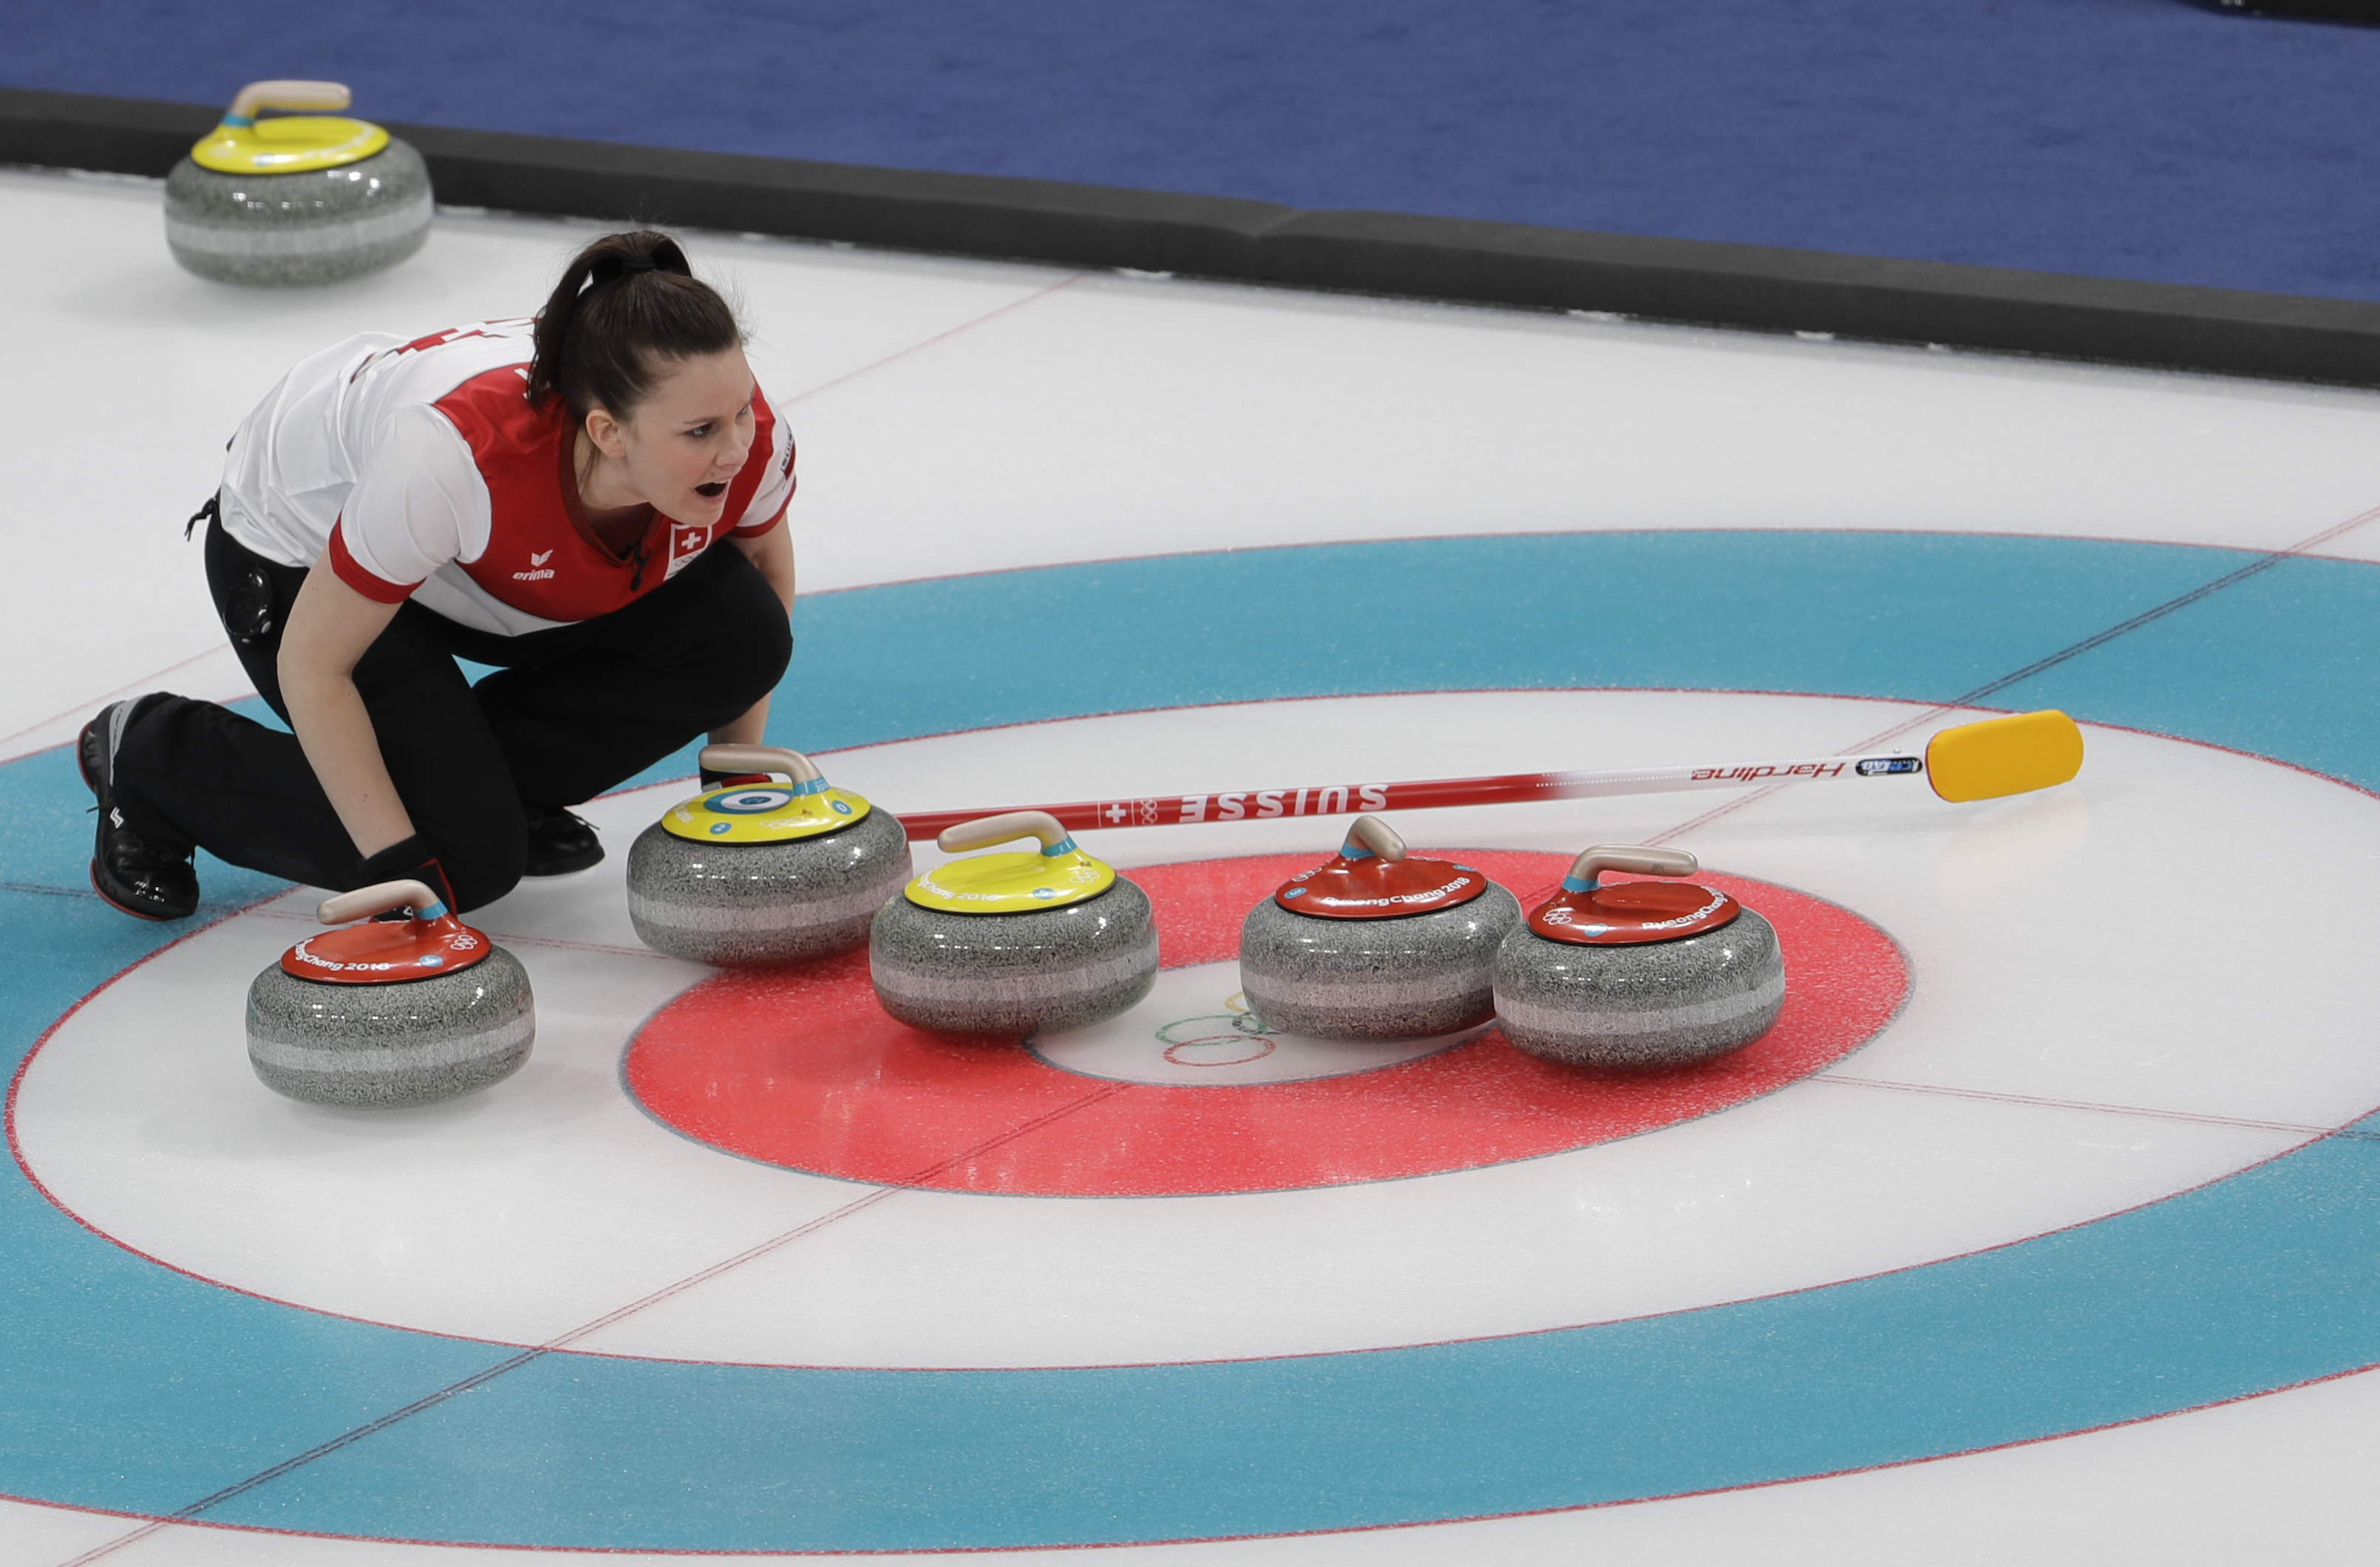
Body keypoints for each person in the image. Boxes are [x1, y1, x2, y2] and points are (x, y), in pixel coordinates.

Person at [79, 229, 797, 920]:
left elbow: (761, 571)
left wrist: (738, 776)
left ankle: (483, 788)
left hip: (473, 563)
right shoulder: (457, 458)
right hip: (302, 546)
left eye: (739, 413)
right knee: (468, 861)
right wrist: (403, 863)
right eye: (702, 431)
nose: (736, 447)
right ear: (608, 432)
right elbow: (315, 663)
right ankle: (154, 756)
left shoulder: (741, 434)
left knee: (742, 635)